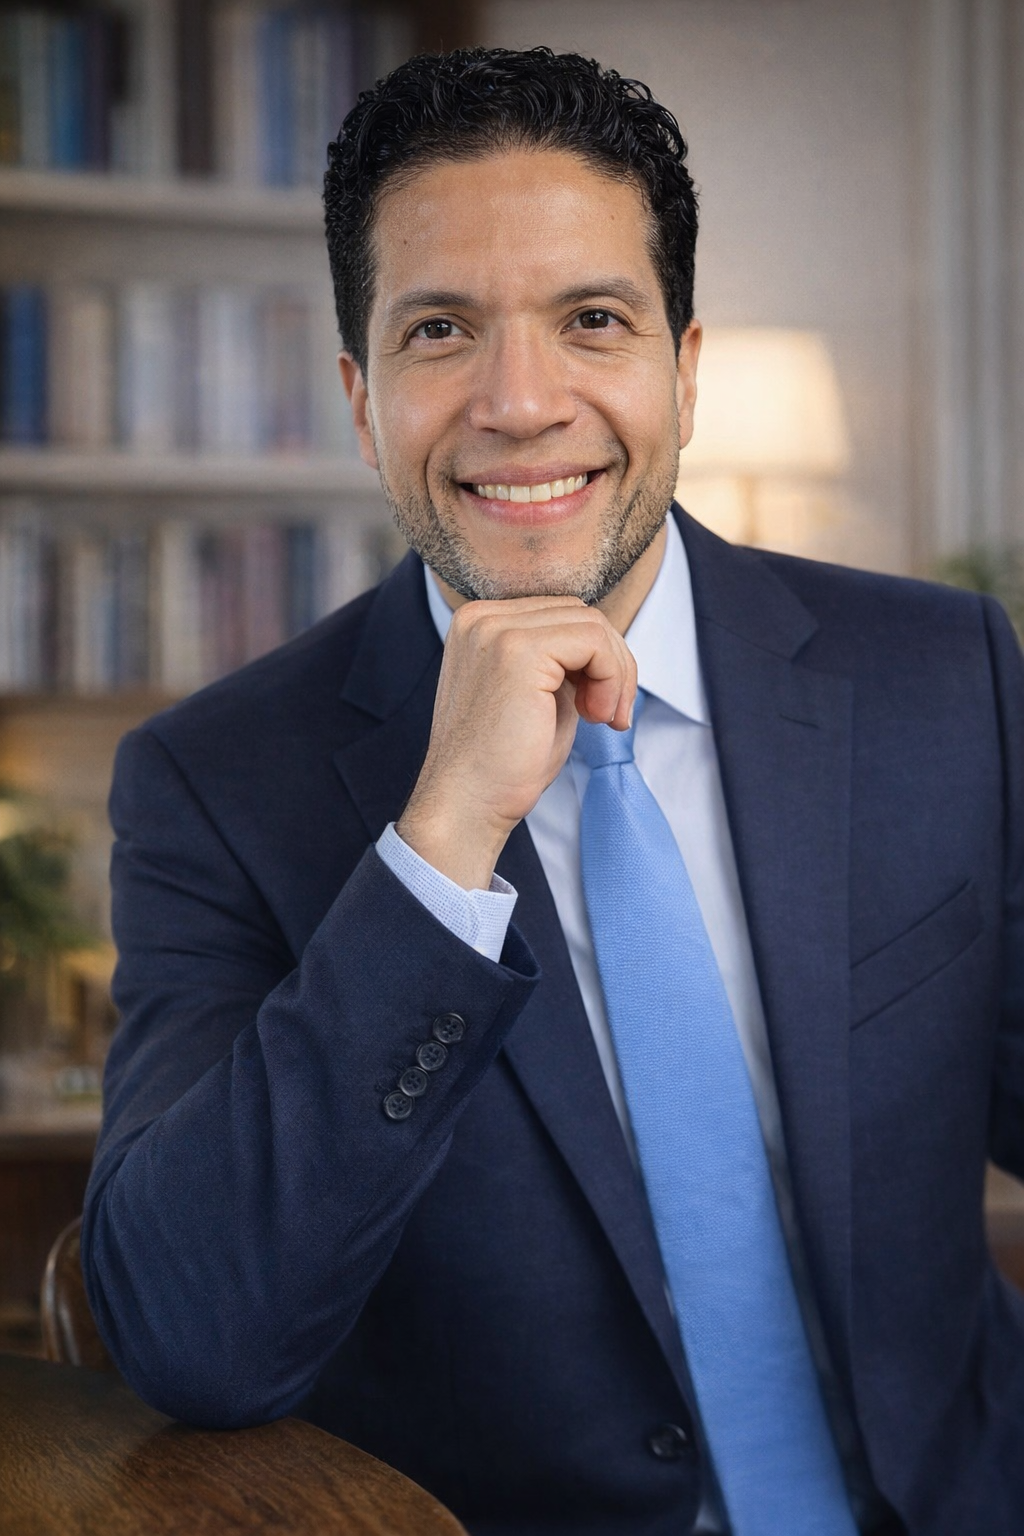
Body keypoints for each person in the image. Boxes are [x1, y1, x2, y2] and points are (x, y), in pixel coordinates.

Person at [81, 47, 1024, 1536]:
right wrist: (440, 847)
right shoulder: (211, 785)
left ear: (685, 368)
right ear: (362, 398)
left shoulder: (942, 675)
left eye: (592, 320)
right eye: (441, 329)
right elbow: (194, 1335)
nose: (521, 404)